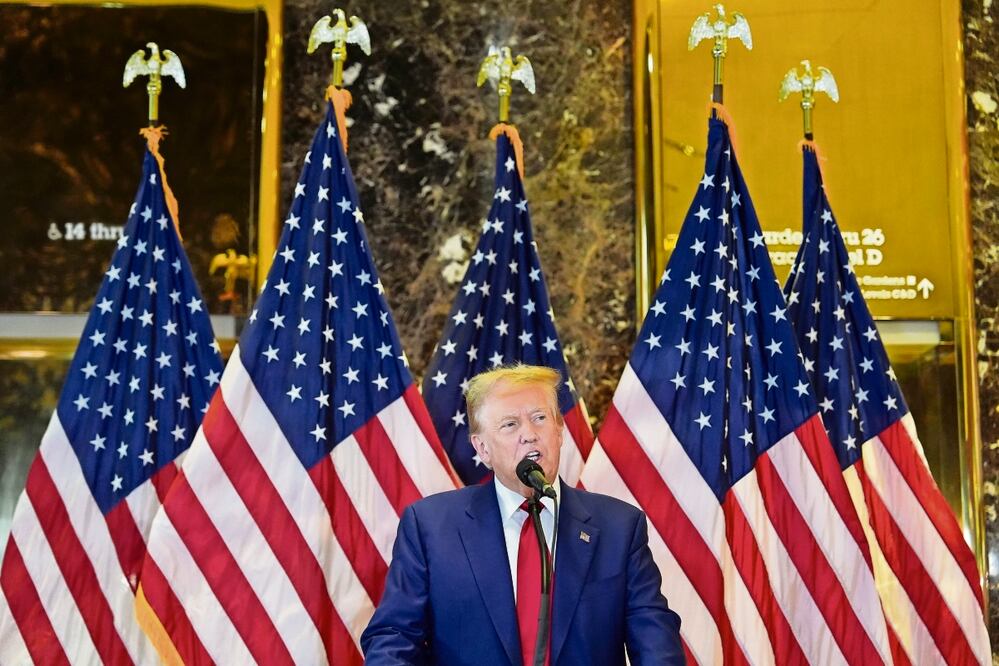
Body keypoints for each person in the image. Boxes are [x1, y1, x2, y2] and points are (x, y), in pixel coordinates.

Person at [361, 364, 685, 665]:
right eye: (510, 424)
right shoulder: (431, 526)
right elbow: (394, 636)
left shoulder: (619, 527)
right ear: (482, 449)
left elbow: (655, 640)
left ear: (559, 432)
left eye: (540, 418)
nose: (529, 434)